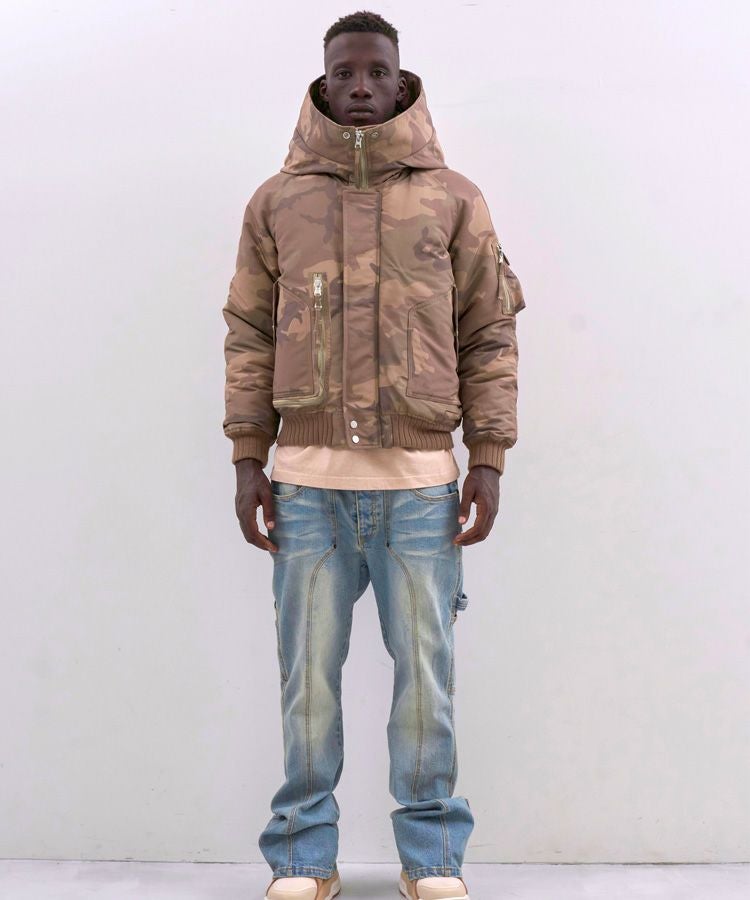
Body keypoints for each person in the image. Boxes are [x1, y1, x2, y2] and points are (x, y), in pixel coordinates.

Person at [222, 10, 526, 900]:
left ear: (401, 82)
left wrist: (489, 457)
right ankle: (302, 858)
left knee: (425, 682)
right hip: (306, 486)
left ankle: (431, 858)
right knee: (307, 685)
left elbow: (490, 333)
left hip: (422, 489)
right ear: (323, 82)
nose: (360, 85)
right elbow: (247, 334)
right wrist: (248, 459)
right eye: (344, 72)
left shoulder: (454, 199)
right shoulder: (277, 202)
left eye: (376, 71)